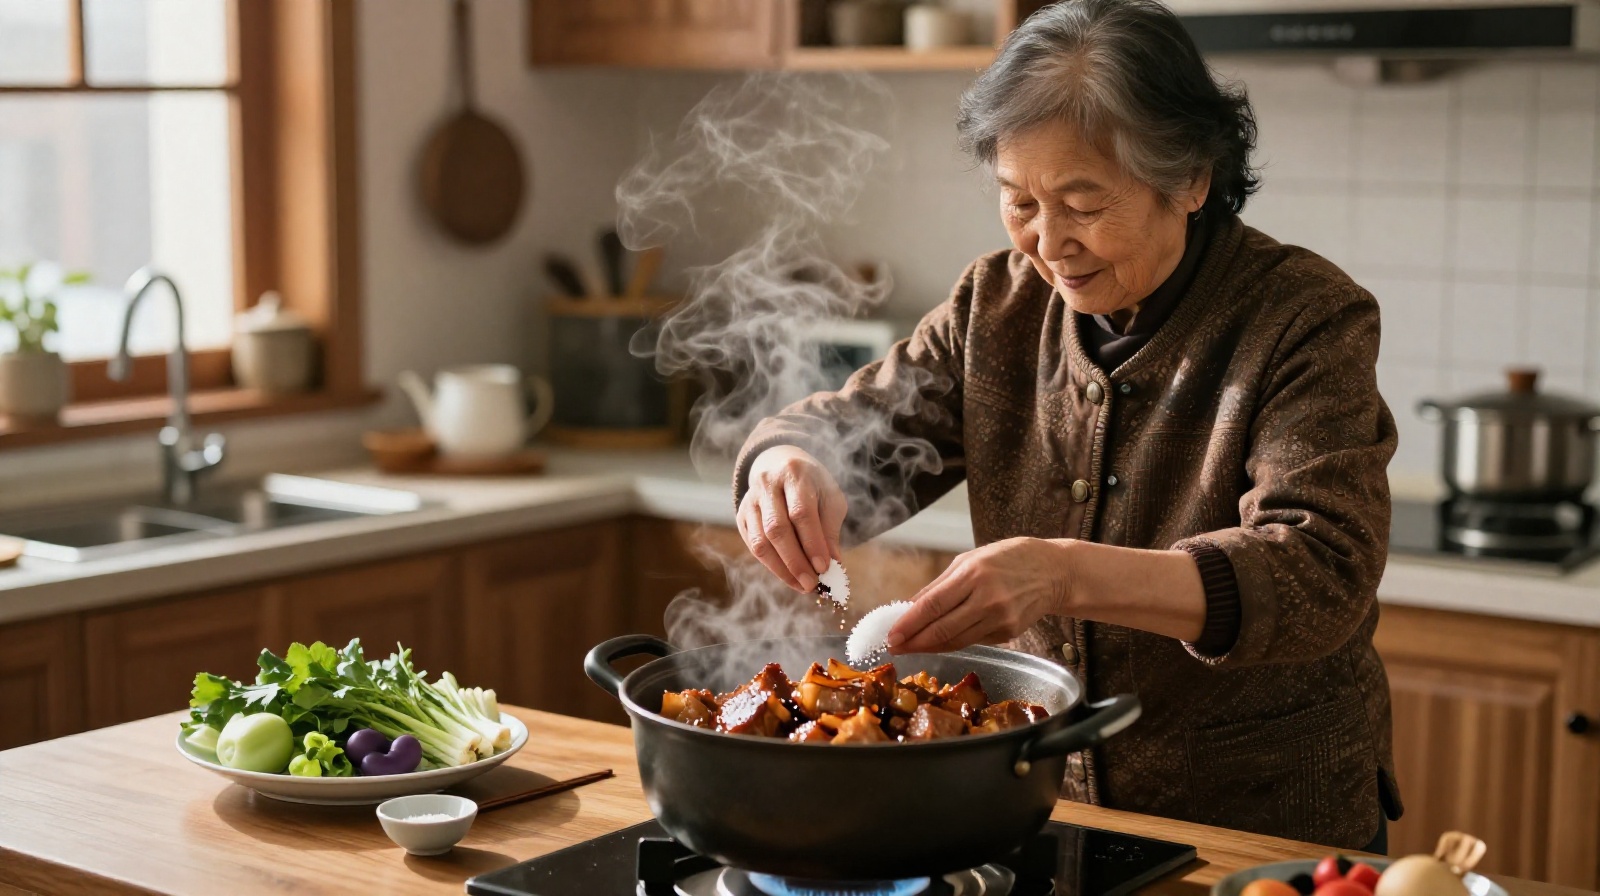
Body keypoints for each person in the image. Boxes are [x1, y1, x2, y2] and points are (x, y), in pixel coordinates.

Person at [731, 0, 1400, 852]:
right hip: (1044, 811)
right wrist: (790, 462)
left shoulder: (1303, 317)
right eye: (1019, 203)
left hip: (1260, 826)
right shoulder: (996, 304)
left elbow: (1320, 573)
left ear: (1190, 179)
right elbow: (865, 427)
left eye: (1084, 203)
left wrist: (1066, 574)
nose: (1049, 244)